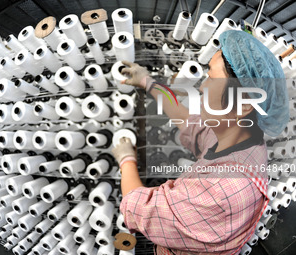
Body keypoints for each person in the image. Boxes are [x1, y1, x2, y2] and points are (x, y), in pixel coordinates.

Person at [111, 30, 289, 255]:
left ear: (244, 104)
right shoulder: (243, 140)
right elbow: (186, 121)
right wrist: (148, 82)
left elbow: (137, 208)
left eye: (212, 78)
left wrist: (126, 158)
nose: (202, 87)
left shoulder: (222, 193)